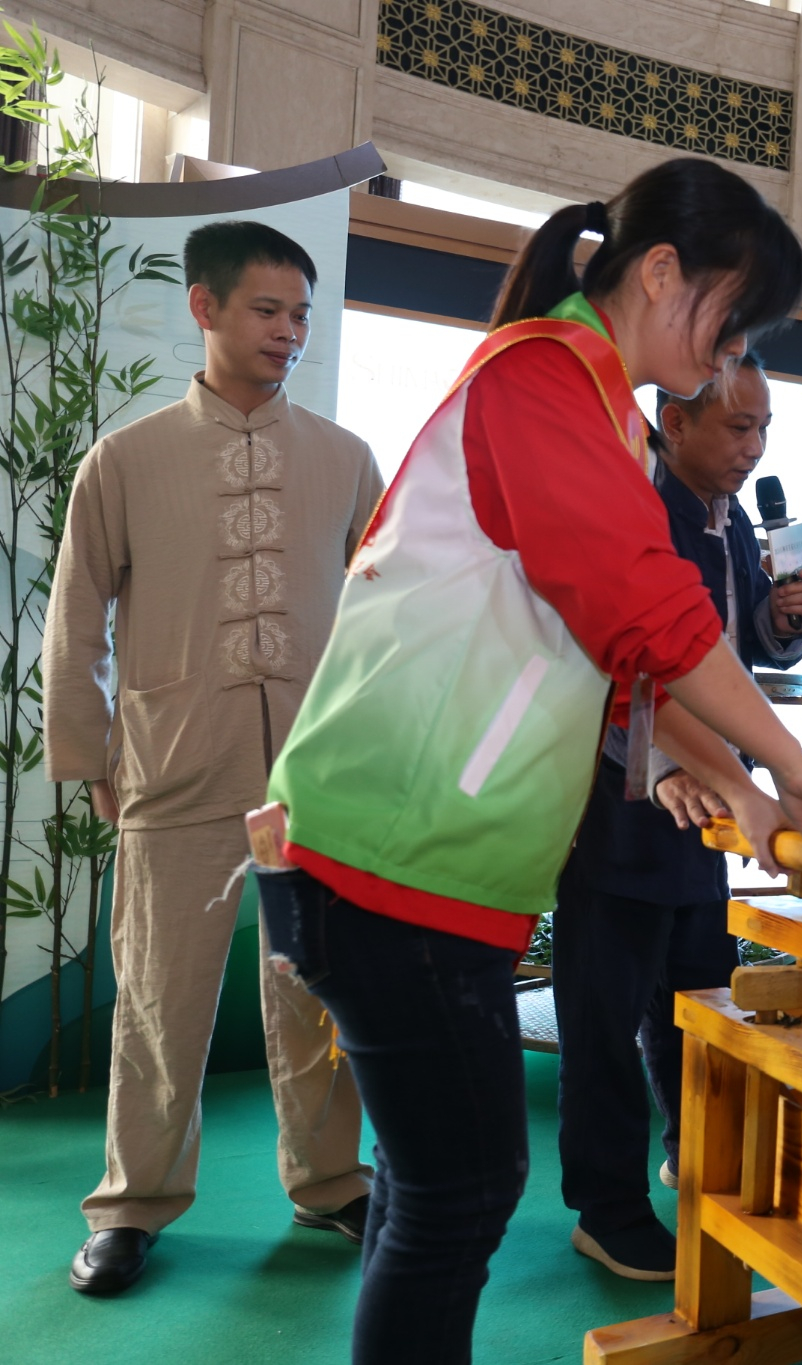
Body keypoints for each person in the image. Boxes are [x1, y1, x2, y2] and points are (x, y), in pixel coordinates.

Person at [251, 157, 802, 1365]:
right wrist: (797, 768)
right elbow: (643, 612)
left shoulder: (589, 400)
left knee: (429, 1187)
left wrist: (756, 798)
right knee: (458, 1194)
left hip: (424, 860)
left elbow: (619, 668)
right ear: (663, 274)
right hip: (393, 854)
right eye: (732, 319)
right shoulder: (541, 379)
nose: (728, 356)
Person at [45, 221, 382, 1296]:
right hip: (171, 766)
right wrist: (91, 749)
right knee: (158, 994)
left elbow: (388, 614)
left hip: (315, 777)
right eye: (266, 311)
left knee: (318, 990)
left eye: (300, 316)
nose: (288, 333)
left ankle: (332, 1182)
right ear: (205, 307)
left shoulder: (345, 459)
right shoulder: (126, 460)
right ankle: (133, 1207)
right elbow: (74, 618)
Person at [552, 353, 802, 1280]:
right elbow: (620, 662)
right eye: (739, 427)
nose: (755, 448)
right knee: (602, 1010)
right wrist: (670, 765)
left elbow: (732, 654)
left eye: (764, 428)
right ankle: (606, 1203)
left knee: (697, 993)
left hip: (712, 803)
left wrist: (787, 625)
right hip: (626, 792)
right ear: (673, 418)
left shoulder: (733, 516)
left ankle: (690, 1149)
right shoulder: (634, 505)